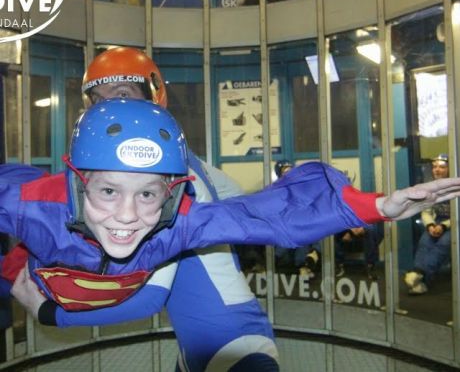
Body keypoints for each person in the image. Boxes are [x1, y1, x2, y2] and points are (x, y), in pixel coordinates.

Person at [7, 99, 460, 321]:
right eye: (108, 192)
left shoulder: (179, 224)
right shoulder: (30, 207)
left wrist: (376, 206)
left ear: (171, 193)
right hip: (25, 270)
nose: (127, 217)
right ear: (75, 182)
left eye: (147, 195)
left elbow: (269, 214)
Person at [3, 47, 280, 372]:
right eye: (98, 99)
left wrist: (49, 313)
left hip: (238, 352)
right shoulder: (181, 169)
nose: (110, 107)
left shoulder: (174, 182)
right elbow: (233, 193)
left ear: (153, 96)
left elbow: (149, 298)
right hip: (197, 354)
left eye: (123, 93)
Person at [404, 154, 451, 295]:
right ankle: (420, 282)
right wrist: (430, 225)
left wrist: (443, 226)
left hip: (453, 224)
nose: (437, 170)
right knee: (425, 242)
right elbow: (426, 211)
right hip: (436, 222)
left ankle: (420, 274)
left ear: (450, 169)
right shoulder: (430, 188)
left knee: (443, 243)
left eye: (442, 167)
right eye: (435, 167)